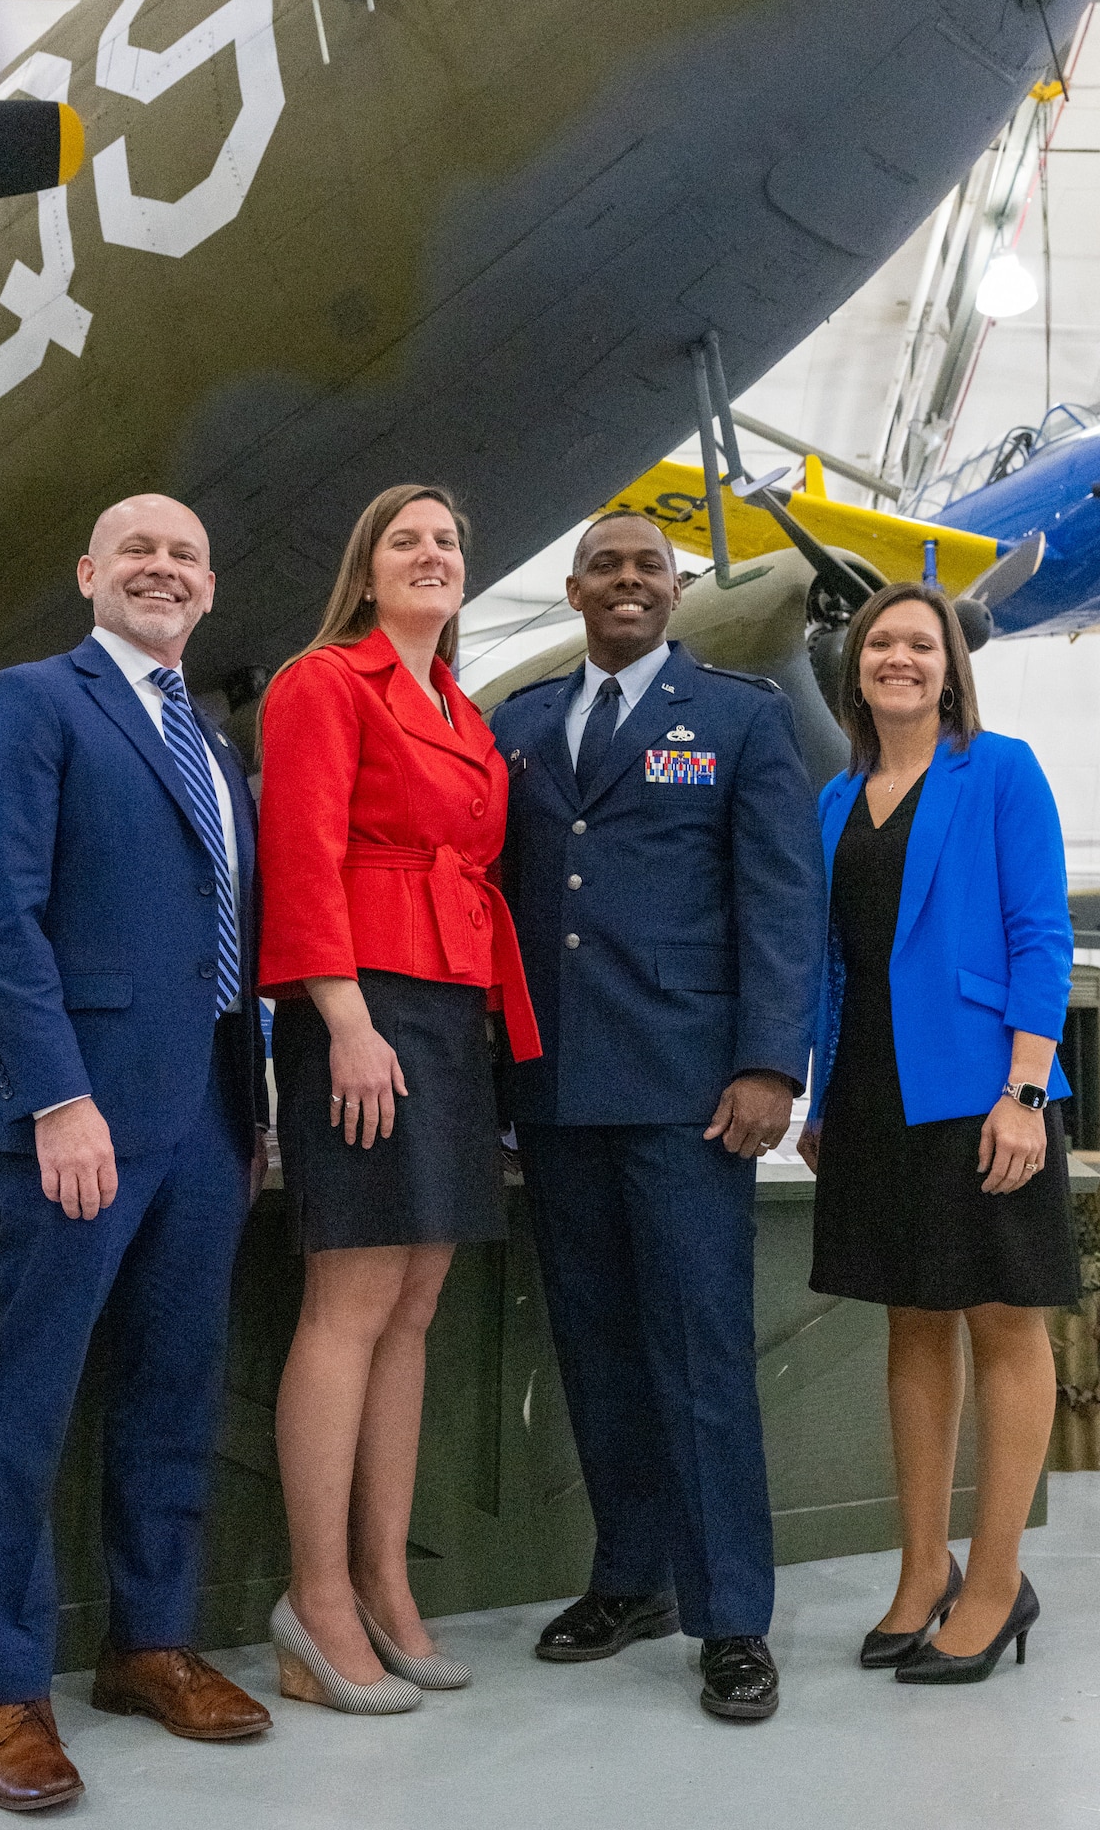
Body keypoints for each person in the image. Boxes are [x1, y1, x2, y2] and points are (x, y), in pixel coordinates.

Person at [0, 495, 272, 1812]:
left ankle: (147, 1642)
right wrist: (55, 1097)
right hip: (77, 1116)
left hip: (207, 1116)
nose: (163, 568)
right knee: (30, 1403)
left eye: (187, 554)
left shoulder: (210, 738)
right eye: (137, 549)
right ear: (89, 573)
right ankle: (1, 1690)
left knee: (176, 1388)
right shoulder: (34, 704)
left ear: (207, 589)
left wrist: (247, 1112)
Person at [490, 512, 824, 1724]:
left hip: (692, 1095)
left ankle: (731, 1613)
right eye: (606, 566)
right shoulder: (519, 725)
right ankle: (628, 1576)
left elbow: (780, 902)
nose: (627, 581)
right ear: (574, 588)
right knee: (597, 1351)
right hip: (559, 1093)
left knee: (701, 1359)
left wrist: (767, 1065)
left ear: (675, 591)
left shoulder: (739, 717)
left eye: (649, 568)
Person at [257, 483, 540, 1714]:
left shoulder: (464, 716)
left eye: (447, 543)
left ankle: (384, 1576)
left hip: (448, 1007)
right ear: (366, 572)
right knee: (352, 1296)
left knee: (415, 1302)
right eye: (405, 540)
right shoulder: (325, 680)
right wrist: (345, 1018)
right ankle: (314, 1595)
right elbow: (304, 850)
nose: (432, 554)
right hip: (359, 1005)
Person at [800, 580, 1078, 1687]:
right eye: (880, 643)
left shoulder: (1000, 769)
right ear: (855, 667)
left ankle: (999, 1579)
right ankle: (923, 1569)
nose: (900, 657)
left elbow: (1040, 929)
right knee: (912, 1319)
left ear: (953, 667)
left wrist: (1026, 1088)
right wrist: (820, 1098)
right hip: (872, 1085)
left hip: (979, 1084)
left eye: (922, 642)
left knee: (1003, 1318)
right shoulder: (834, 798)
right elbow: (832, 960)